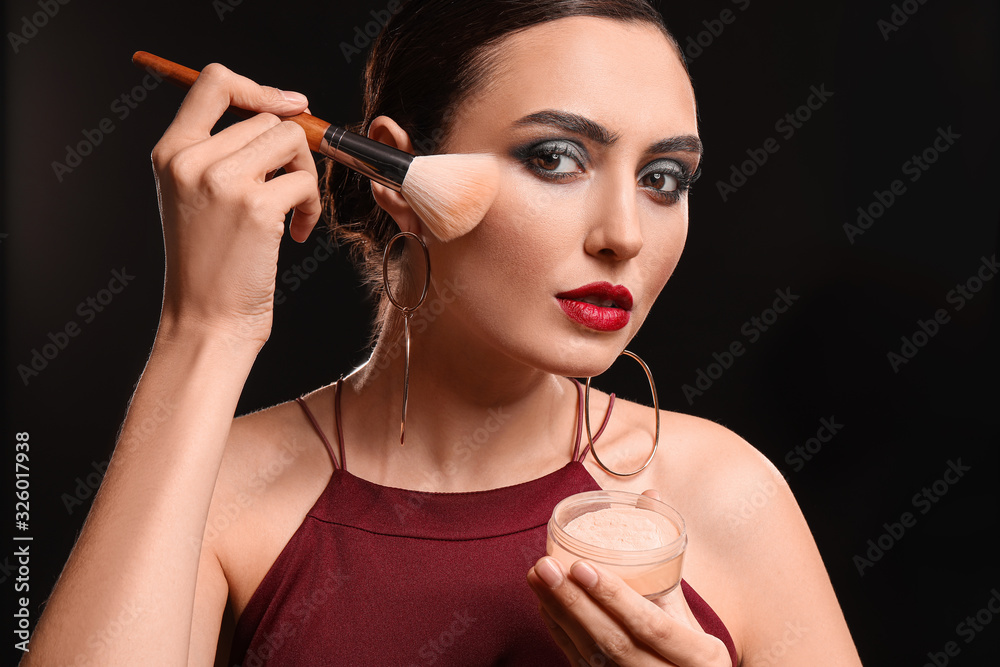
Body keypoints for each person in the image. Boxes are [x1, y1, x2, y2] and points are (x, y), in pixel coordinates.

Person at [22, 1, 863, 665]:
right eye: (557, 158)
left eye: (664, 177)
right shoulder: (220, 489)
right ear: (395, 174)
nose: (625, 234)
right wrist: (202, 330)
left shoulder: (727, 492)